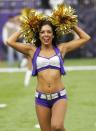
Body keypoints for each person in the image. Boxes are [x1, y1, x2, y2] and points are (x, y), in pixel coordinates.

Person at [6, 5, 90, 131]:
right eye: (43, 32)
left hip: (59, 97)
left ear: (53, 34)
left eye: (49, 32)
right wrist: (27, 26)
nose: (46, 35)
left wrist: (69, 24)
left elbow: (86, 38)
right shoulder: (32, 50)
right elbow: (10, 41)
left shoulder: (61, 49)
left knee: (57, 126)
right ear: (38, 34)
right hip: (41, 99)